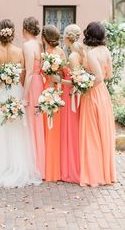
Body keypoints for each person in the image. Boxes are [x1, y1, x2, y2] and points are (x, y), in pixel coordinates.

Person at [0, 19, 41, 188]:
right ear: (13, 33)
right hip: (16, 90)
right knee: (17, 131)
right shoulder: (19, 51)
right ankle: (18, 166)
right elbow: (23, 75)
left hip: (0, 93)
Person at [79, 22, 116, 186]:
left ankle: (93, 175)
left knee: (92, 134)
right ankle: (105, 173)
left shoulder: (92, 53)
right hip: (103, 94)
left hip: (92, 94)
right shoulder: (106, 51)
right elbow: (108, 76)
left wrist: (83, 84)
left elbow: (99, 77)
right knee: (103, 133)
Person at [41, 25, 66, 182]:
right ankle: (56, 169)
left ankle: (48, 169)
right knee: (56, 130)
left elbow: (46, 76)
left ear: (44, 39)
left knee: (47, 129)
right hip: (59, 91)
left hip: (48, 91)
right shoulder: (62, 52)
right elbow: (63, 71)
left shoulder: (47, 55)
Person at [22, 17, 45, 179]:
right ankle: (40, 162)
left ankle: (33, 163)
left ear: (25, 30)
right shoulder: (40, 45)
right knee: (38, 122)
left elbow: (29, 72)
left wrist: (24, 95)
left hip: (32, 85)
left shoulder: (27, 46)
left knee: (31, 122)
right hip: (40, 84)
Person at [60, 24, 83, 183]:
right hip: (71, 96)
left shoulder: (74, 56)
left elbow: (76, 82)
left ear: (67, 37)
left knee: (71, 131)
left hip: (71, 97)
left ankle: (72, 169)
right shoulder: (78, 52)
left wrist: (59, 80)